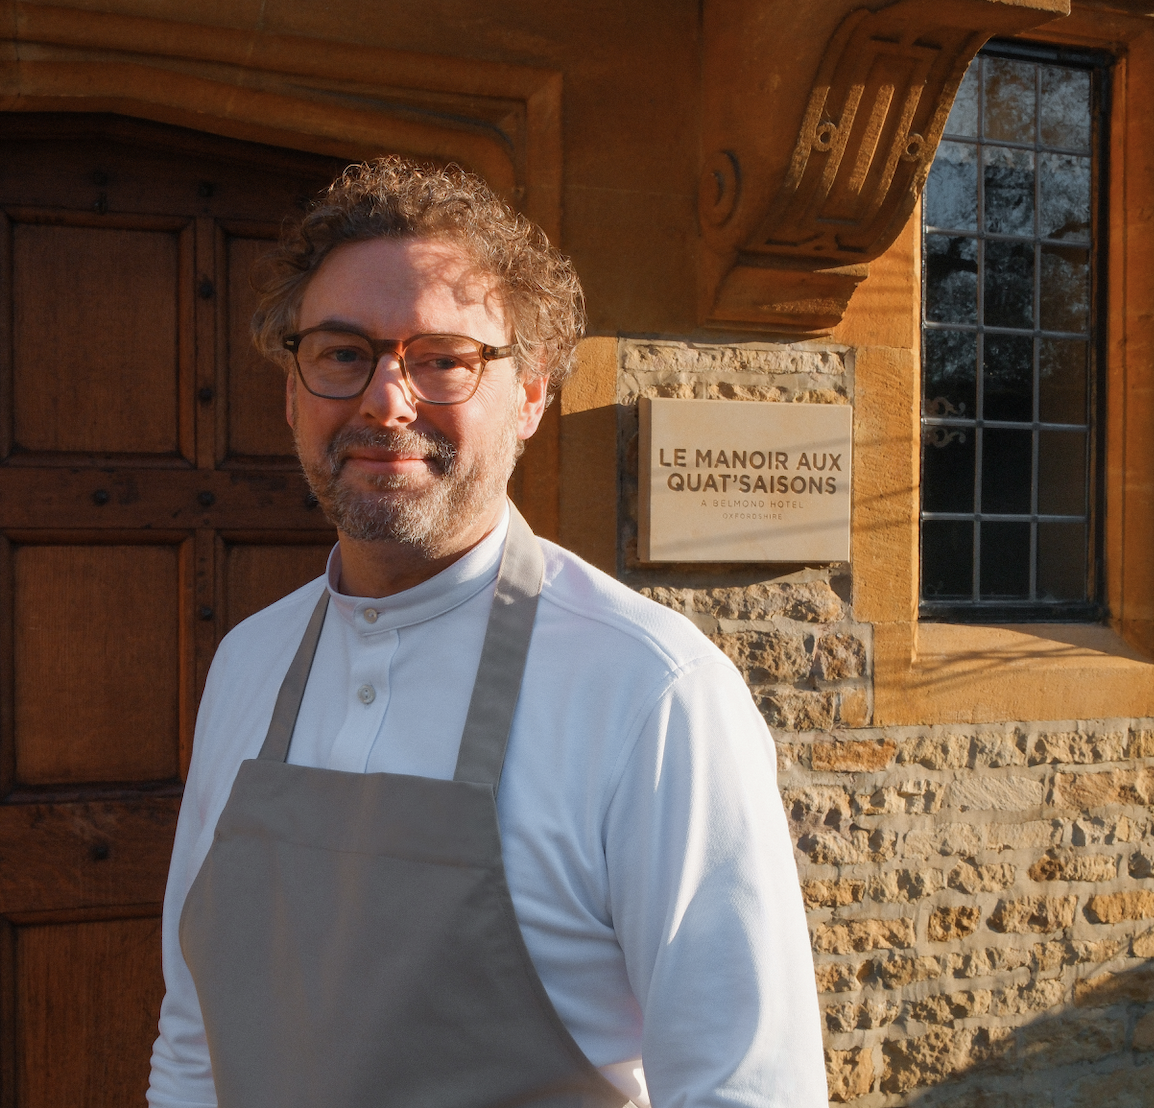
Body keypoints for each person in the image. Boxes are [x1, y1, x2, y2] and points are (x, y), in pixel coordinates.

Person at [147, 157, 827, 1108]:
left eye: (443, 358)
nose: (387, 401)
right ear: (292, 394)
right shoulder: (248, 662)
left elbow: (744, 1090)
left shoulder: (651, 693)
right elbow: (193, 1037)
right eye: (342, 353)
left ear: (532, 396)